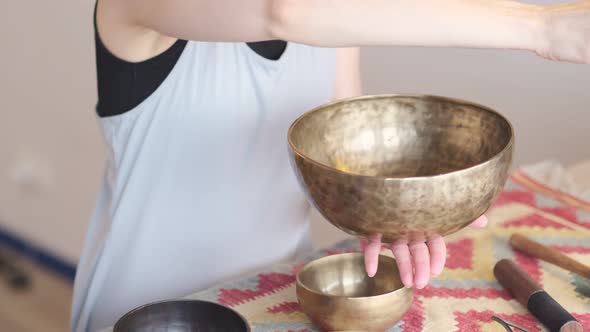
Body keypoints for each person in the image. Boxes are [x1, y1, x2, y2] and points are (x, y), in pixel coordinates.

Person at [72, 0, 589, 330]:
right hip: (148, 309)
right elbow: (285, 12)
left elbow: (350, 160)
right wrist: (545, 29)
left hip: (277, 296)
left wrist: (392, 219)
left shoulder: (335, 24)